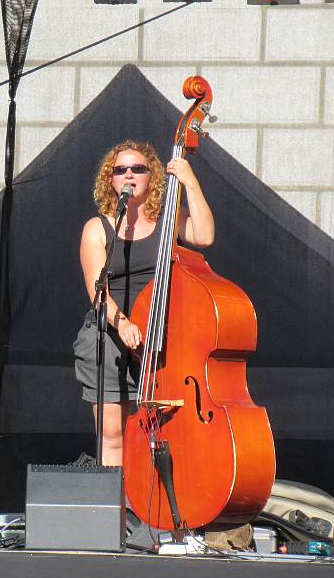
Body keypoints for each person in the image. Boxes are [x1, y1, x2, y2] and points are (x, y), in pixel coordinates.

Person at [73, 140, 214, 466]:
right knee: (112, 435)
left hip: (162, 337)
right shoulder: (97, 228)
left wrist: (190, 181)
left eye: (138, 168)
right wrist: (122, 323)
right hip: (110, 336)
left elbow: (205, 236)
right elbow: (97, 292)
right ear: (110, 179)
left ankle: (157, 510)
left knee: (165, 433)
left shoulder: (168, 221)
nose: (129, 175)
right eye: (120, 169)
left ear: (151, 177)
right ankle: (117, 512)